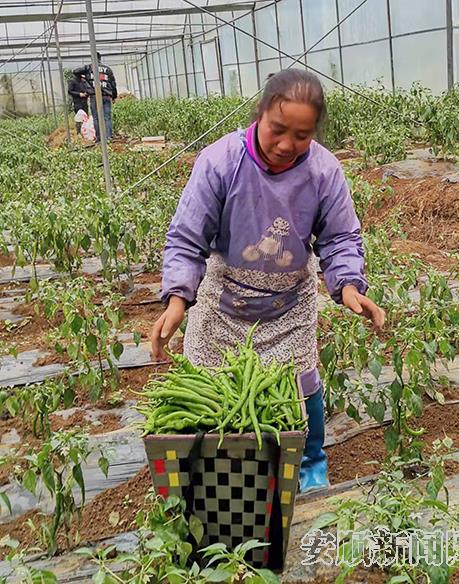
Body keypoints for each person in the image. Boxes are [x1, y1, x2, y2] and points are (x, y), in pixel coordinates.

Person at [150, 69, 385, 494]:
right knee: (214, 387)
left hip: (289, 301)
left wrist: (349, 285)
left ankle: (310, 460)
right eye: (278, 129)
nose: (286, 145)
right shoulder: (221, 162)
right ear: (260, 113)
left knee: (301, 380)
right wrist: (177, 299)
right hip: (225, 298)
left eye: (302, 135)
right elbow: (187, 236)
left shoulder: (323, 171)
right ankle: (222, 465)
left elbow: (340, 236)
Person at [73, 52, 117, 143]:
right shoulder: (108, 69)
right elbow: (113, 84)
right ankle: (108, 137)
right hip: (106, 95)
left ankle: (99, 138)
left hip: (94, 96)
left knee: (96, 117)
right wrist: (114, 96)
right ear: (100, 59)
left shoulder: (88, 68)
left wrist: (84, 76)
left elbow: (75, 71)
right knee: (107, 117)